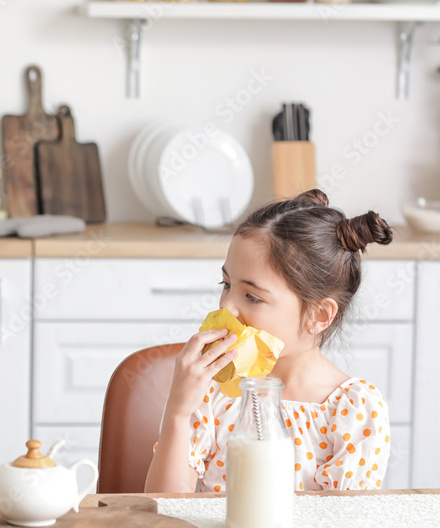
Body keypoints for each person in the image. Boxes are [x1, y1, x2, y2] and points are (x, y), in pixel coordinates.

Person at [145, 189, 393, 494]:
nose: (225, 308)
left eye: (252, 296)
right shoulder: (214, 391)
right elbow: (167, 511)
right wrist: (178, 412)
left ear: (319, 315)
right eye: (226, 284)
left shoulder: (354, 410)